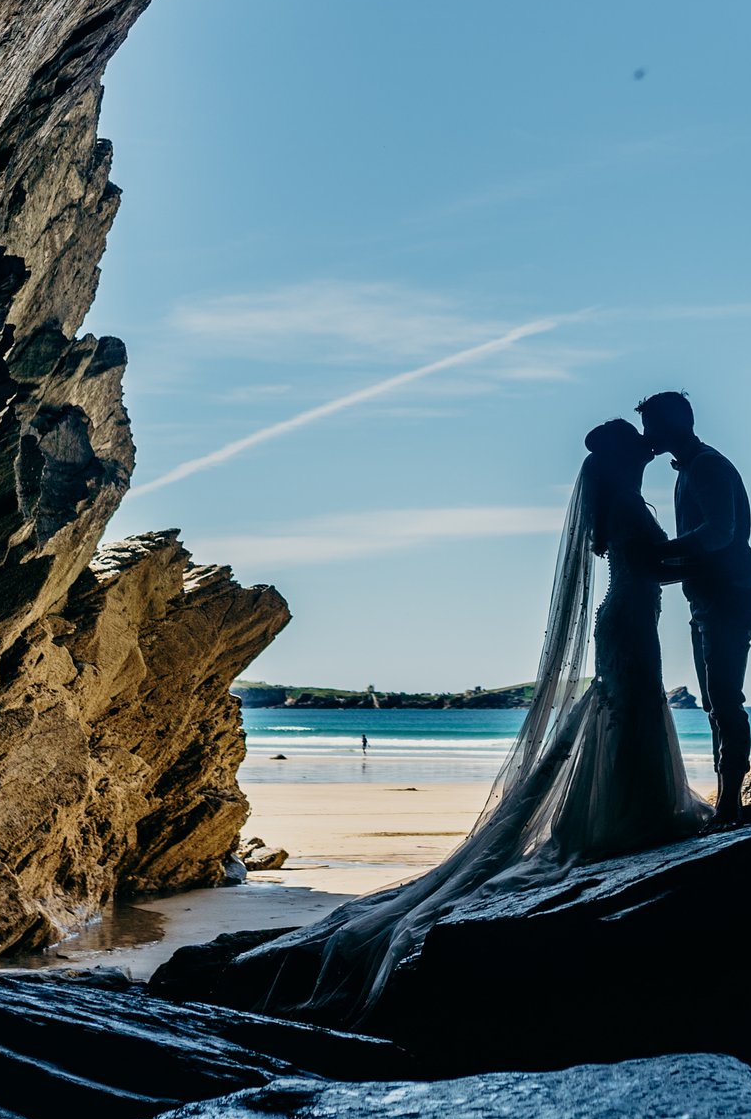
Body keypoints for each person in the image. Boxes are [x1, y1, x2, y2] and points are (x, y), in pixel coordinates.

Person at [210, 419, 706, 1023]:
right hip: (630, 618)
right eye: (639, 453)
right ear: (625, 462)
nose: (645, 459)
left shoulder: (615, 500)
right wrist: (721, 549)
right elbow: (661, 564)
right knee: (627, 708)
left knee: (624, 708)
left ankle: (628, 810)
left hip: (625, 616)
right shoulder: (626, 501)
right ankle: (635, 812)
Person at [636, 391, 751, 828]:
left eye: (650, 425)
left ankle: (731, 804)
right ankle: (727, 798)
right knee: (715, 702)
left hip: (730, 595)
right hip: (708, 596)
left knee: (726, 701)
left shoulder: (708, 466)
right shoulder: (687, 469)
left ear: (672, 425)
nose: (646, 435)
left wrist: (659, 553)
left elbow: (719, 534)